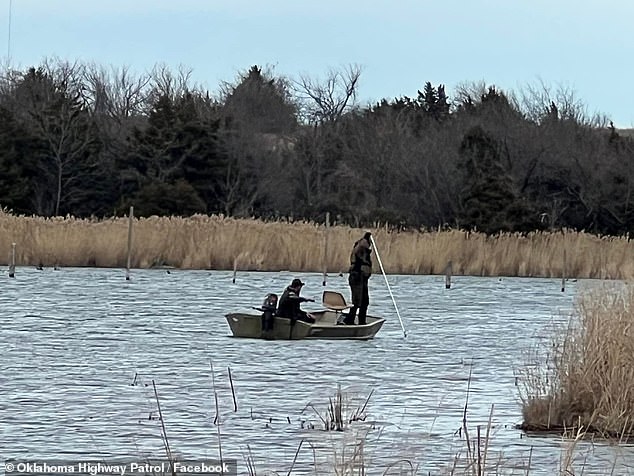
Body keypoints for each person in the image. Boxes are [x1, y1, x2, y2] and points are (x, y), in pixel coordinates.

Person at [344, 232, 372, 325]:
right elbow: (361, 254)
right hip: (357, 277)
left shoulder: (362, 246)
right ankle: (349, 320)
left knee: (365, 302)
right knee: (356, 301)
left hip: (362, 278)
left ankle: (361, 321)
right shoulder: (362, 246)